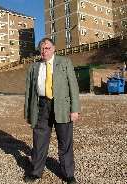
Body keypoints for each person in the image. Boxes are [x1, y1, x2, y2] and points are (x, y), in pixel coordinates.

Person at [24, 38, 80, 184]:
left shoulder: (65, 62)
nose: (44, 51)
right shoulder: (34, 67)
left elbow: (73, 87)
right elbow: (29, 92)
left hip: (62, 106)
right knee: (39, 141)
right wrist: (29, 112)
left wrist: (75, 109)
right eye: (42, 49)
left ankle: (68, 174)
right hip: (42, 106)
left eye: (47, 48)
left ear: (54, 49)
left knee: (65, 142)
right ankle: (36, 172)